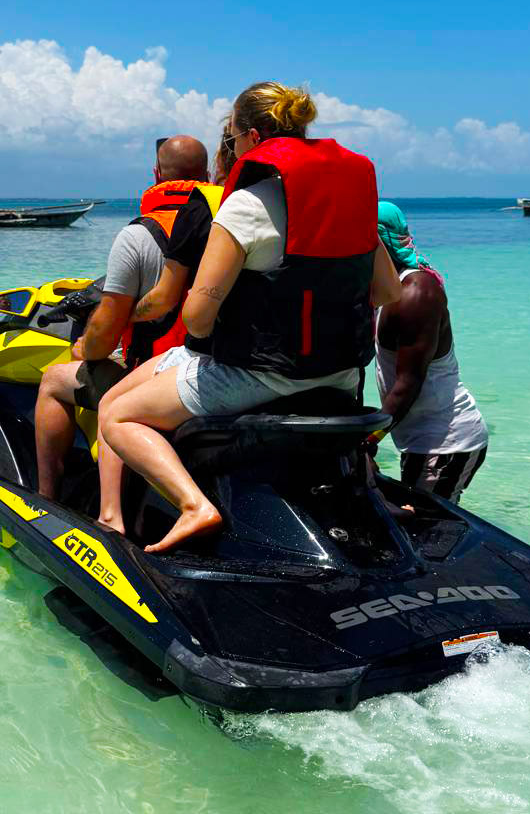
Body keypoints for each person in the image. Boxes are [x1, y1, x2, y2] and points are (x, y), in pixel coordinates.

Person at [100, 82, 401, 552]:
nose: (233, 147)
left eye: (233, 138)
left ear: (253, 139)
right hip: (340, 378)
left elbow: (198, 317)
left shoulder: (246, 205)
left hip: (260, 376)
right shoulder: (347, 205)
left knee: (117, 414)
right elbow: (387, 291)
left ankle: (192, 506)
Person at [33, 133, 212, 501]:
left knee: (53, 380)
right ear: (207, 175)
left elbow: (107, 332)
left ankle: (46, 498)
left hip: (153, 375)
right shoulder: (225, 226)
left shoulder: (137, 236)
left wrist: (87, 347)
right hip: (206, 371)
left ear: (156, 173)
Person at [373, 201, 489, 502]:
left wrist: (369, 438)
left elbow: (408, 382)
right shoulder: (387, 288)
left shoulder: (415, 293)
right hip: (421, 440)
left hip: (445, 442)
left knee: (426, 536)